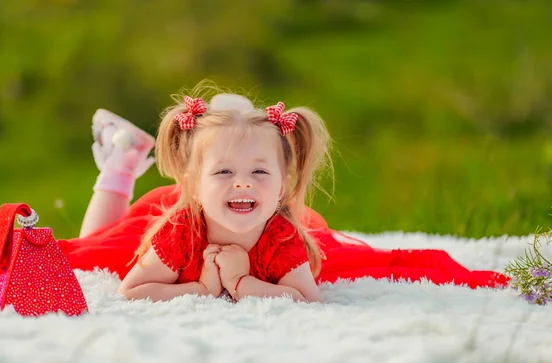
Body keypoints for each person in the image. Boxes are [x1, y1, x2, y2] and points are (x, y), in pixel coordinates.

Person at [56, 86, 510, 303]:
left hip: (242, 220)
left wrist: (241, 283)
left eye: (259, 171)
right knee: (96, 250)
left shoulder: (281, 236)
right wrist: (198, 286)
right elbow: (129, 290)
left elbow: (307, 299)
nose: (243, 183)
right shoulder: (178, 231)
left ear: (283, 182)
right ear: (192, 182)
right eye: (227, 172)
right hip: (183, 221)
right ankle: (122, 165)